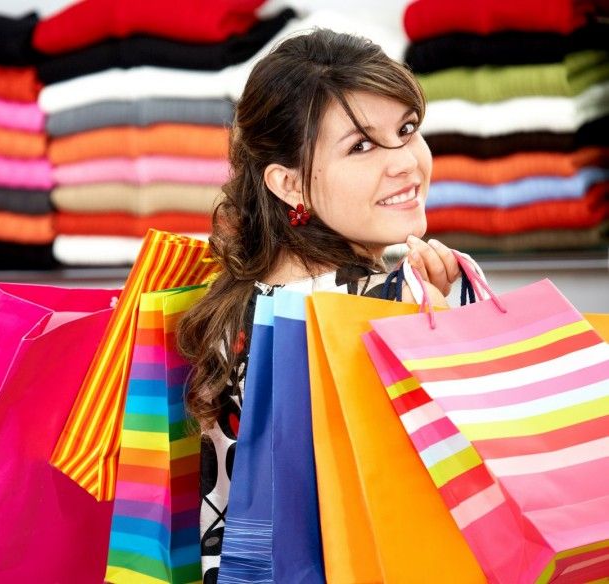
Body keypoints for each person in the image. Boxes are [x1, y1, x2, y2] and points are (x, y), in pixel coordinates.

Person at [176, 28, 464, 582]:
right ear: (288, 184)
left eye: (406, 130)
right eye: (360, 146)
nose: (405, 162)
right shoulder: (381, 304)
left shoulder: (234, 301)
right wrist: (440, 327)